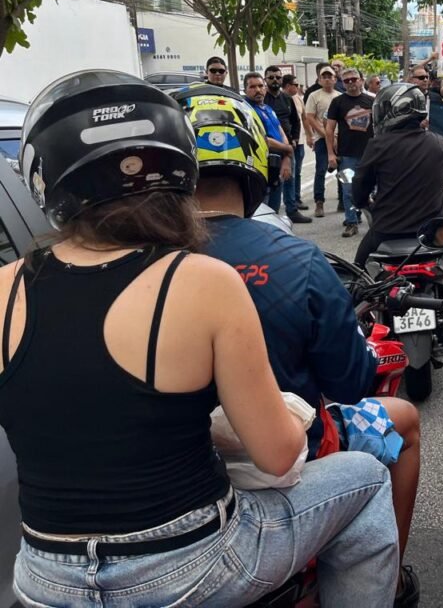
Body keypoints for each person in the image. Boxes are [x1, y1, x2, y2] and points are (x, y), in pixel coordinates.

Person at [2, 71, 398, 607]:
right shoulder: (199, 280)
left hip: (43, 578)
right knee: (368, 477)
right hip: (189, 566)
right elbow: (279, 455)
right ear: (179, 169)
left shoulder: (6, 287)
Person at [183, 93, 421, 606]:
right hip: (288, 462)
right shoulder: (296, 259)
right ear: (256, 170)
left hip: (181, 481)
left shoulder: (142, 266)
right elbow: (351, 384)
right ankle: (390, 578)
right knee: (402, 421)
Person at [353, 84, 443, 298]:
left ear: (391, 112)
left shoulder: (378, 145)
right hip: (432, 233)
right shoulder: (440, 142)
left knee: (357, 277)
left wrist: (363, 203)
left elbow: (360, 185)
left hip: (387, 230)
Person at [326, 67, 374, 237]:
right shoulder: (337, 103)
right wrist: (331, 154)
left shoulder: (372, 101)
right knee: (348, 190)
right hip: (346, 155)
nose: (351, 83)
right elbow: (329, 129)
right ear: (343, 83)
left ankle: (374, 222)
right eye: (347, 81)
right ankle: (351, 222)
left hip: (370, 155)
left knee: (371, 189)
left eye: (354, 79)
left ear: (361, 80)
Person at [265, 66, 310, 224]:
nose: (275, 80)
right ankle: (269, 215)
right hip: (270, 147)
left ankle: (291, 210)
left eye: (278, 77)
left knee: (290, 177)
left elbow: (295, 121)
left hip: (289, 145)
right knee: (272, 182)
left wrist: (295, 139)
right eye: (271, 78)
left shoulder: (286, 98)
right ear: (266, 79)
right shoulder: (263, 99)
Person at [243, 72, 293, 210]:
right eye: (252, 87)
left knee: (274, 211)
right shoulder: (246, 110)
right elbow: (261, 139)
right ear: (245, 90)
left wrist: (287, 157)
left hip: (277, 166)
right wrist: (288, 149)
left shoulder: (268, 108)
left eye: (260, 86)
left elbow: (280, 131)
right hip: (261, 168)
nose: (258, 90)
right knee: (262, 212)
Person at [305, 66, 340, 218]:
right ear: (319, 80)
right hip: (321, 138)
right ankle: (319, 202)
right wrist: (326, 134)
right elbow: (310, 117)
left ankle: (343, 200)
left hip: (340, 139)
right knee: (321, 170)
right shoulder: (314, 96)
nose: (327, 79)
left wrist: (336, 137)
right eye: (323, 76)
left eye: (329, 76)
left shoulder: (340, 96)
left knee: (342, 169)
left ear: (335, 79)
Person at [282, 73, 309, 210]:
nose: (298, 88)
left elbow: (303, 118)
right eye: (296, 85)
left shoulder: (298, 98)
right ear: (287, 86)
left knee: (297, 172)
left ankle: (296, 198)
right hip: (284, 143)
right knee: (287, 173)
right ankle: (289, 201)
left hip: (299, 142)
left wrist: (309, 136)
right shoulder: (282, 99)